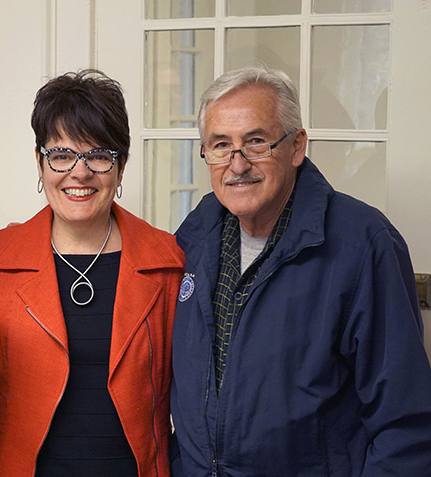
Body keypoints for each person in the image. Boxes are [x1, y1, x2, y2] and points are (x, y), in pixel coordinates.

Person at [169, 66, 431, 475]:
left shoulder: (362, 244)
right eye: (220, 145)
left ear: (296, 146)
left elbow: (406, 425)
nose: (236, 164)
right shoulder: (194, 239)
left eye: (255, 142)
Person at [0, 70, 184, 476]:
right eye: (62, 154)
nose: (80, 172)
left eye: (99, 155)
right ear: (40, 162)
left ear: (120, 167)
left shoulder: (169, 261)